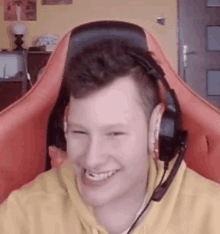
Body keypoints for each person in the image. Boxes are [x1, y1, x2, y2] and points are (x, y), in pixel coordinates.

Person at [1, 21, 220, 234]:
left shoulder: (210, 214)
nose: (91, 159)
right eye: (79, 132)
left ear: (157, 132)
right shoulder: (24, 214)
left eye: (115, 134)